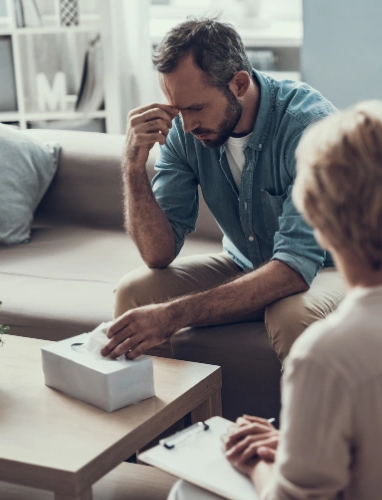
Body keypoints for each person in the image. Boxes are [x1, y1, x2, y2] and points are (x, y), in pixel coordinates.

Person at [168, 101, 382, 499]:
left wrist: (260, 464)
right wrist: (294, 449)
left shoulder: (325, 355)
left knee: (188, 491)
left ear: (312, 210)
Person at [102, 17, 344, 361]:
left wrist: (173, 316)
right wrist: (133, 166)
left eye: (196, 108)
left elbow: (294, 268)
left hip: (332, 267)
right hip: (249, 262)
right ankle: (171, 416)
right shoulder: (185, 131)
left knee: (292, 316)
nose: (185, 125)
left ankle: (298, 418)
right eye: (178, 109)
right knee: (134, 293)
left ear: (240, 84)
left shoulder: (310, 130)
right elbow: (158, 254)